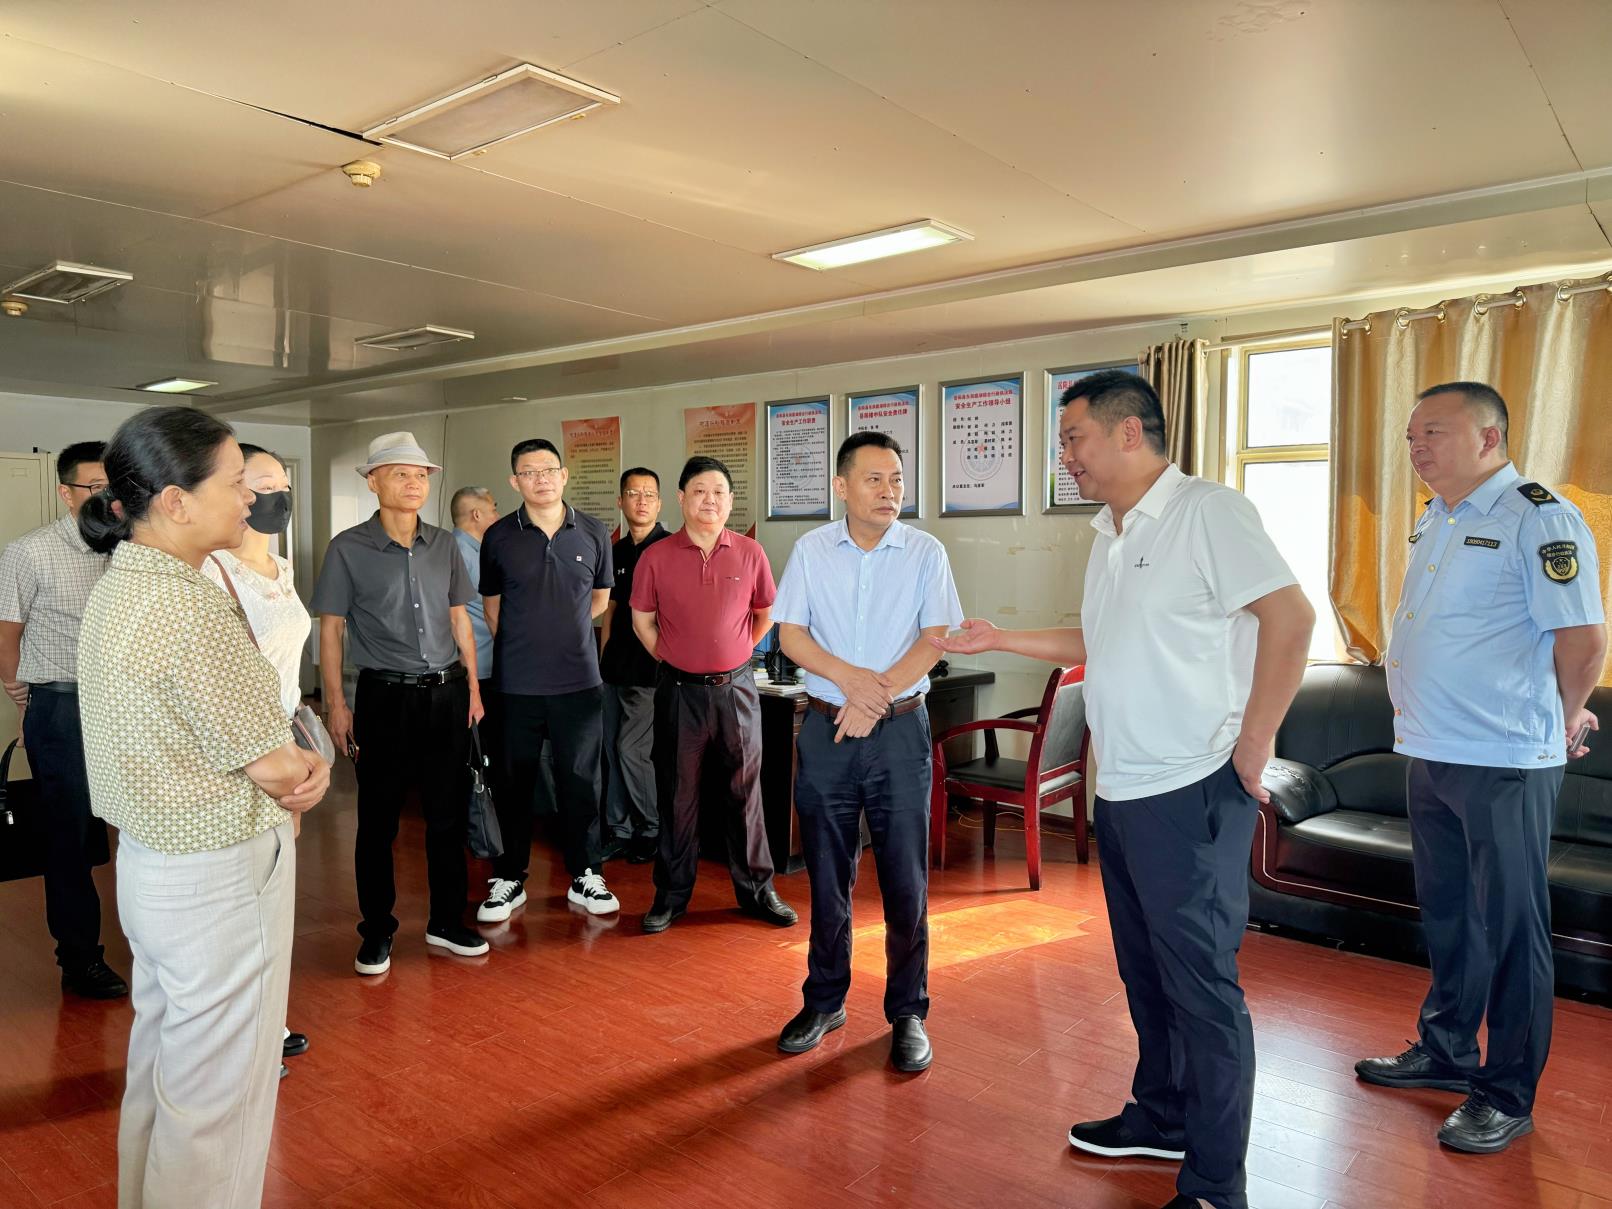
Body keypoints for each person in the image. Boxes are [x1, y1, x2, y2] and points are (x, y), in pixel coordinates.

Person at [934, 371, 1313, 1209]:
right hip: (1128, 789)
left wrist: (1255, 743)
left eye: (1074, 438)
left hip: (1191, 787)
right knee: (1148, 974)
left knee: (1202, 989)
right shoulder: (1110, 531)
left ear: (1129, 432)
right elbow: (1097, 638)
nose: (1066, 456)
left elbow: (1292, 619)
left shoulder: (1208, 512)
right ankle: (1164, 1115)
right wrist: (1004, 637)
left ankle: (1215, 1182)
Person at [75, 406, 329, 1209]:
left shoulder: (121, 586)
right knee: (220, 1095)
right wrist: (312, 765)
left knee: (165, 1066)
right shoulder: (189, 608)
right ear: (176, 501)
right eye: (235, 482)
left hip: (154, 867)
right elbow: (276, 764)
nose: (250, 497)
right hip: (218, 878)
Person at [1354, 382, 1605, 1154]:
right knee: (1450, 912)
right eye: (1410, 436)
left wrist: (1564, 714)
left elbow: (1583, 637)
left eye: (1433, 432)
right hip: (1431, 747)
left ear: (1490, 438)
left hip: (1503, 754)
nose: (1416, 447)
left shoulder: (1538, 517)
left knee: (1511, 929)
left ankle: (1505, 1092)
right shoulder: (1440, 515)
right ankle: (1447, 1048)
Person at [771, 432, 962, 1073]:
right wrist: (851, 682)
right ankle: (825, 1001)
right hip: (827, 731)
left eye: (897, 480)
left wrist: (872, 699)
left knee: (905, 879)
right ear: (842, 486)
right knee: (827, 875)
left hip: (899, 733)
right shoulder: (811, 549)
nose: (889, 491)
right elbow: (791, 634)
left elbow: (935, 639)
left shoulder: (926, 552)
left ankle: (908, 1012)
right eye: (875, 479)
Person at [311, 431, 488, 975]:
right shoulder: (348, 548)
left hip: (447, 694)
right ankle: (377, 930)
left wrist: (474, 688)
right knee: (378, 821)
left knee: (447, 816)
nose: (413, 483)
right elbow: (331, 630)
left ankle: (446, 921)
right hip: (384, 698)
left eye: (420, 475)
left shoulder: (445, 546)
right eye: (400, 474)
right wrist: (337, 705)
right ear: (373, 482)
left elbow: (459, 618)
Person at [630, 455, 797, 934]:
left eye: (719, 492)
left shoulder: (750, 552)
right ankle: (670, 896)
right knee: (677, 796)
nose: (710, 500)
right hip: (679, 693)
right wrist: (672, 656)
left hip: (737, 692)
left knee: (746, 793)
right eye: (700, 491)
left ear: (730, 500)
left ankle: (758, 891)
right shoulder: (656, 556)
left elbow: (765, 613)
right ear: (681, 498)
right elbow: (642, 620)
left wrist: (737, 652)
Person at [0, 440, 128, 1000]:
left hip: (126, 705)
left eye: (113, 488)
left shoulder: (130, 547)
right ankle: (79, 958)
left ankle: (155, 942)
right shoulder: (29, 553)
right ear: (65, 493)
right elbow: (7, 635)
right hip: (62, 706)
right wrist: (24, 699)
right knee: (70, 835)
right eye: (94, 487)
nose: (106, 498)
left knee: (143, 826)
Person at [201, 444, 313, 1075]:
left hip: (284, 742)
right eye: (262, 485)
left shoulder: (282, 566)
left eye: (282, 484)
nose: (277, 497)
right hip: (240, 750)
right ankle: (239, 1032)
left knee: (273, 891)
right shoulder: (210, 571)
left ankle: (269, 1017)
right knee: (238, 895)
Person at [477, 438, 619, 922]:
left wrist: (564, 633)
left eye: (548, 470)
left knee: (581, 781)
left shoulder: (594, 532)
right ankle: (509, 877)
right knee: (513, 783)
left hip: (578, 682)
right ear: (514, 481)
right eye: (529, 472)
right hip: (516, 685)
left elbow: (599, 600)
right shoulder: (499, 536)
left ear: (564, 475)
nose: (541, 479)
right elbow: (493, 610)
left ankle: (587, 873)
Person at [599, 467, 669, 865]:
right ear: (621, 501)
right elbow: (610, 611)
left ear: (659, 503)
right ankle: (620, 829)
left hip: (650, 673)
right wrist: (602, 659)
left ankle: (651, 827)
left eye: (649, 494)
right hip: (614, 668)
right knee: (611, 749)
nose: (641, 501)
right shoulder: (616, 551)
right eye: (633, 493)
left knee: (631, 749)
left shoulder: (670, 549)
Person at [450, 485, 506, 878]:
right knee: (477, 753)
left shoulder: (466, 550)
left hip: (479, 666)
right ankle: (478, 827)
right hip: (478, 668)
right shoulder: (464, 554)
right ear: (475, 515)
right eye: (493, 509)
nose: (497, 515)